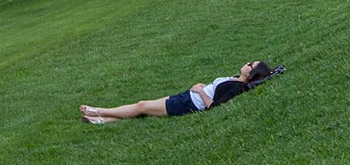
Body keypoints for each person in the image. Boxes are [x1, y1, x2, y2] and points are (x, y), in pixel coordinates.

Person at [79, 61, 272, 124]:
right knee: (143, 110)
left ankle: (99, 111)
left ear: (251, 74)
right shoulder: (234, 80)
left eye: (250, 65)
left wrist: (200, 91)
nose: (247, 63)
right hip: (187, 97)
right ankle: (101, 121)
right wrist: (203, 87)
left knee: (142, 105)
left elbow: (214, 106)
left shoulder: (237, 87)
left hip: (189, 103)